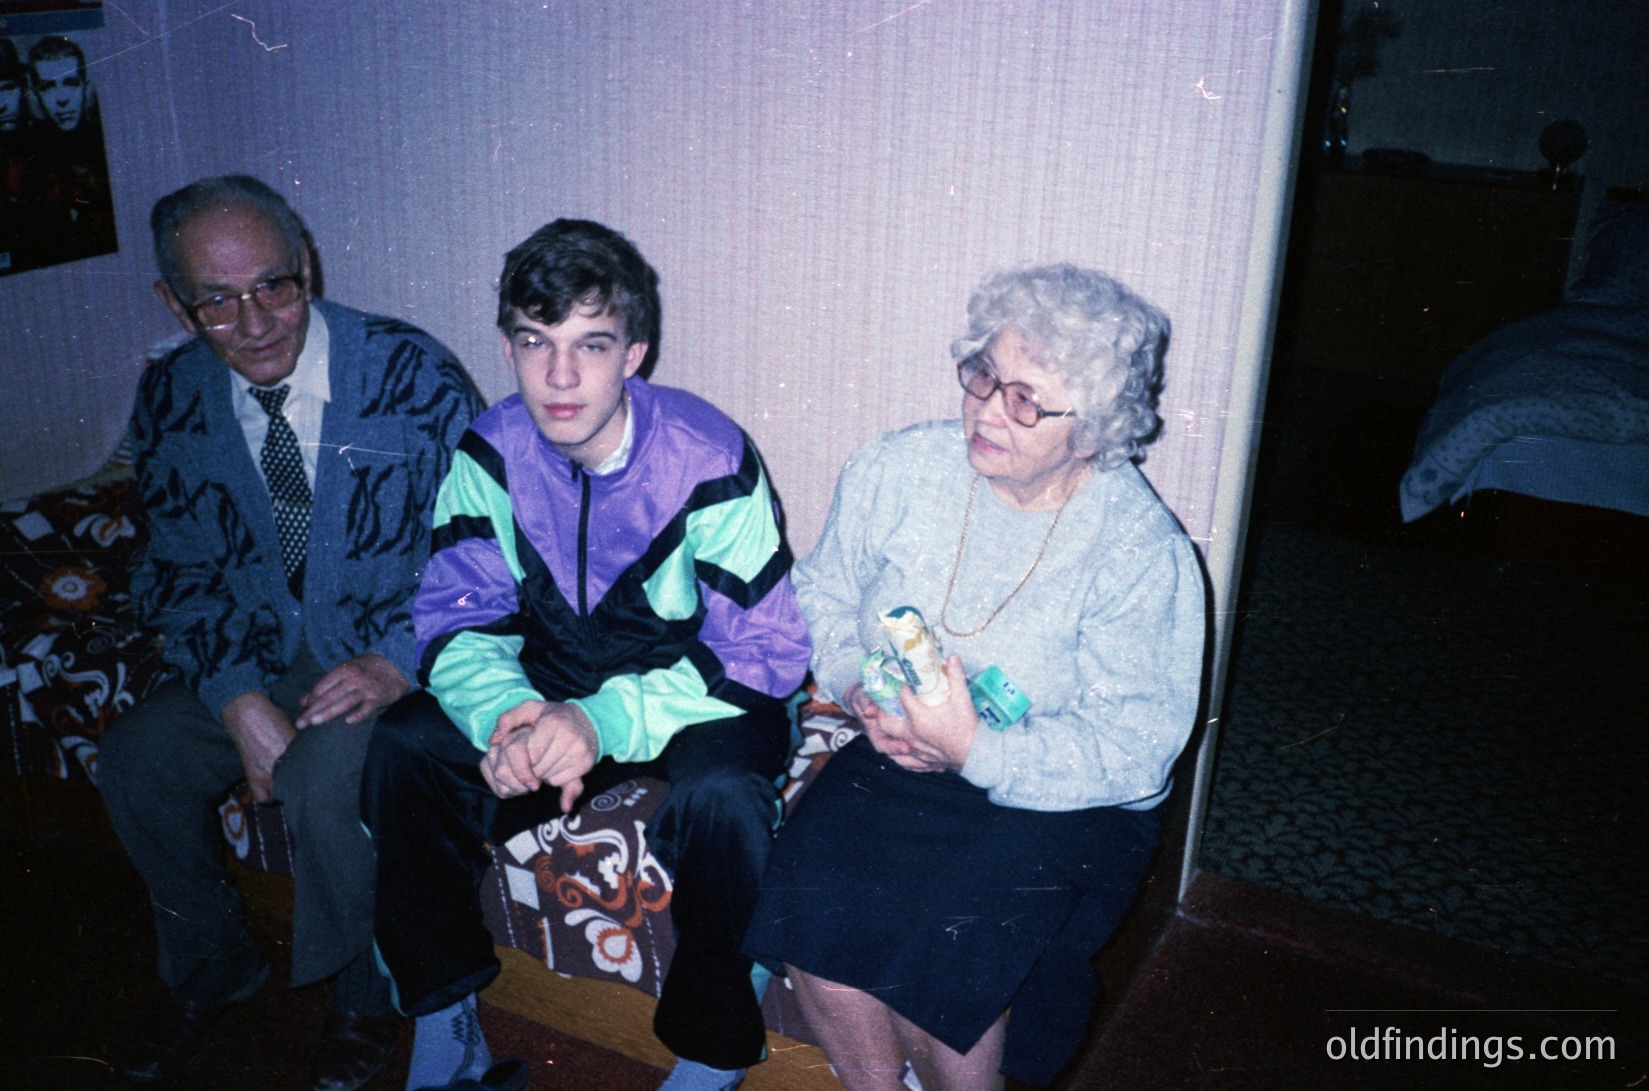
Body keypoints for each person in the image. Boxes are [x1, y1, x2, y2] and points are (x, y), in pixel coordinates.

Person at [362, 218, 811, 1091]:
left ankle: (710, 1051)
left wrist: (599, 722)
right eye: (536, 342)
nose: (560, 376)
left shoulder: (708, 456)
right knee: (404, 745)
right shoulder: (488, 451)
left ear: (634, 352)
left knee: (725, 802)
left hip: (692, 685)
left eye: (590, 344)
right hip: (550, 673)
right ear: (508, 345)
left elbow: (763, 651)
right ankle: (446, 1021)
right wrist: (511, 718)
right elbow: (455, 612)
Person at [743, 264, 1207, 1090]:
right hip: (898, 750)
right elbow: (822, 590)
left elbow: (1137, 749)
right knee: (810, 901)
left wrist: (973, 748)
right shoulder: (901, 468)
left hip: (1061, 795)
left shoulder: (1139, 549)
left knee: (945, 954)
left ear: (1093, 430)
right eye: (984, 374)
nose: (988, 407)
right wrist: (856, 689)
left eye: (1027, 399)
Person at [97, 175, 484, 1090]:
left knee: (322, 779)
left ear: (306, 265)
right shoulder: (172, 396)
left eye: (273, 284)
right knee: (138, 757)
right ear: (173, 303)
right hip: (255, 655)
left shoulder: (408, 370)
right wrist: (234, 697)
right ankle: (212, 962)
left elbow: (484, 550)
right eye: (217, 301)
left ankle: (366, 986)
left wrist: (397, 661)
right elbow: (175, 570)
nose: (256, 320)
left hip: (392, 652)